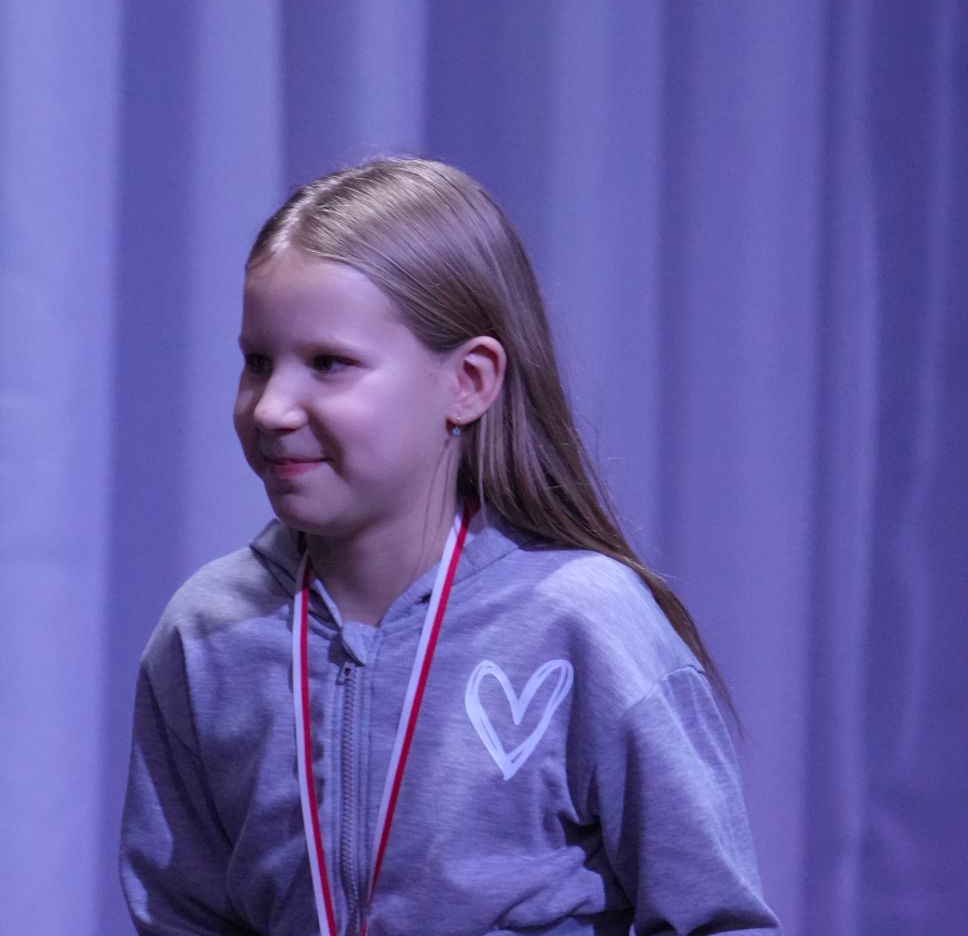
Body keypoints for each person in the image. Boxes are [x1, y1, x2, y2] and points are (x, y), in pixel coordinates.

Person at [121, 157, 775, 935]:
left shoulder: (583, 622)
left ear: (468, 381)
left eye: (329, 364)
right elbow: (182, 917)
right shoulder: (208, 634)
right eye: (258, 362)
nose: (272, 408)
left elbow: (718, 921)